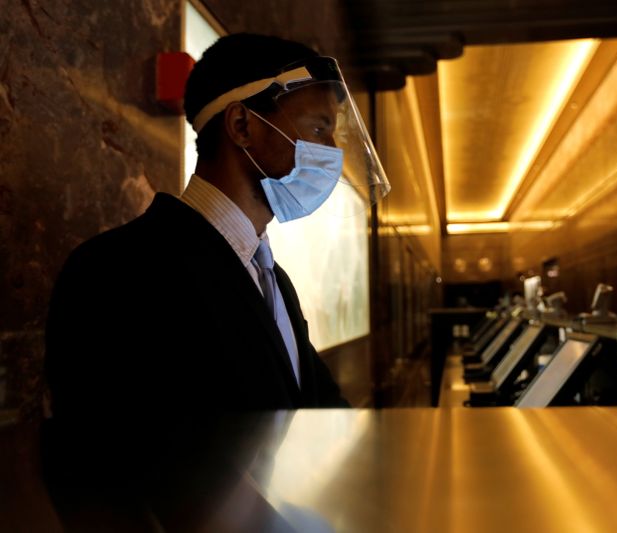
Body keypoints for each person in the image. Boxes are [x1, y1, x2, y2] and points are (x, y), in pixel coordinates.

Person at [42, 33, 390, 529]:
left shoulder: (274, 282)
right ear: (243, 125)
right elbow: (112, 476)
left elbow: (317, 415)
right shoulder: (118, 270)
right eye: (317, 129)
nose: (330, 154)